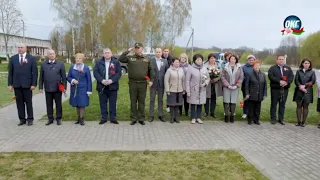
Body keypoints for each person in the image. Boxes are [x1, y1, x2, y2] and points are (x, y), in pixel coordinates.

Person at [118, 43, 154, 125]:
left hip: (143, 83)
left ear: (142, 49)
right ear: (135, 49)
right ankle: (133, 118)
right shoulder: (130, 58)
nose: (138, 49)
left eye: (139, 48)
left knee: (141, 101)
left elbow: (150, 71)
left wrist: (150, 80)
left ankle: (141, 118)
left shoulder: (146, 59)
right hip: (133, 83)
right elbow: (121, 58)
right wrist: (128, 51)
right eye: (136, 48)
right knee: (133, 101)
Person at [8, 43, 38, 126]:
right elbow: (10, 73)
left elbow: (34, 72)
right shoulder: (13, 58)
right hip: (17, 85)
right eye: (18, 47)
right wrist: (10, 84)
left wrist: (33, 84)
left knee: (28, 102)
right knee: (19, 103)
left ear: (25, 48)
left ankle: (30, 119)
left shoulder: (31, 58)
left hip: (27, 85)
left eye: (21, 47)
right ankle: (22, 119)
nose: (20, 49)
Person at [93, 48, 122, 125]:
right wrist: (102, 80)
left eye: (108, 52)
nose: (107, 54)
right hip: (102, 86)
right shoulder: (99, 62)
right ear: (103, 54)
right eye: (105, 53)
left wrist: (111, 80)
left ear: (111, 54)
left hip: (112, 86)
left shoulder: (116, 62)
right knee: (103, 102)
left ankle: (113, 118)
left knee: (112, 102)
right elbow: (95, 73)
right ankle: (104, 117)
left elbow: (119, 73)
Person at [39, 50, 67, 126]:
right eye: (50, 54)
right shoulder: (43, 64)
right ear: (47, 55)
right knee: (49, 104)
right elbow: (41, 77)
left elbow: (64, 77)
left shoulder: (60, 64)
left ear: (55, 55)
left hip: (57, 88)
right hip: (48, 87)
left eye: (53, 54)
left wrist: (64, 87)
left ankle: (59, 118)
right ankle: (50, 119)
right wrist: (40, 87)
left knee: (58, 104)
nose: (51, 55)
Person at [67, 53, 92, 126]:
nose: (78, 60)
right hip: (75, 88)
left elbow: (89, 80)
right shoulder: (72, 68)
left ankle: (81, 118)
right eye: (77, 58)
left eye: (79, 58)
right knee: (77, 104)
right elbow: (68, 77)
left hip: (83, 89)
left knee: (82, 104)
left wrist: (89, 90)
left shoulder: (86, 68)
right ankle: (78, 118)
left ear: (82, 59)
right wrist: (73, 80)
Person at [268, 55, 294, 125]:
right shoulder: (272, 68)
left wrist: (287, 82)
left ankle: (281, 119)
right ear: (276, 60)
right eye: (280, 59)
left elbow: (291, 76)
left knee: (282, 104)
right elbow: (271, 76)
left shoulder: (288, 68)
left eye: (282, 59)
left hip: (285, 89)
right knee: (274, 104)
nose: (281, 60)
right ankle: (273, 119)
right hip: (275, 89)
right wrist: (279, 81)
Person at [186, 54, 210, 124]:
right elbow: (187, 80)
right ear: (194, 60)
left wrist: (205, 83)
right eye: (197, 60)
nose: (199, 61)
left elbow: (208, 78)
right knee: (193, 104)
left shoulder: (204, 68)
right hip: (193, 89)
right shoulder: (190, 68)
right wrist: (188, 91)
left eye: (200, 60)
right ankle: (193, 117)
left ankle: (198, 117)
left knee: (200, 103)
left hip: (202, 89)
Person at [221, 54, 244, 123]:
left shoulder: (239, 68)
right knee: (226, 101)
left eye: (234, 59)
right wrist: (228, 85)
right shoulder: (225, 67)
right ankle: (226, 116)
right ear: (229, 59)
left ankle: (232, 116)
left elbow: (241, 77)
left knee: (233, 102)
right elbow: (222, 77)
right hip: (227, 87)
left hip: (235, 87)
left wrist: (236, 85)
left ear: (236, 60)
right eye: (231, 59)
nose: (232, 60)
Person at [293, 58, 315, 127]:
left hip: (308, 91)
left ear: (310, 64)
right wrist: (300, 86)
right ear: (302, 64)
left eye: (308, 63)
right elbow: (296, 80)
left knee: (305, 107)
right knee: (299, 106)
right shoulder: (298, 71)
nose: (307, 64)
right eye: (305, 63)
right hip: (299, 90)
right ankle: (298, 122)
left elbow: (313, 81)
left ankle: (303, 122)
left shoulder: (312, 72)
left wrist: (305, 86)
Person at [149, 48, 169, 122]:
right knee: (152, 99)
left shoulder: (165, 61)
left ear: (161, 53)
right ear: (155, 53)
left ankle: (161, 115)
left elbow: (167, 72)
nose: (158, 53)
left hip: (161, 83)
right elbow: (147, 72)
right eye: (157, 52)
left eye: (159, 52)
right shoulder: (151, 61)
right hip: (153, 83)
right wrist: (149, 80)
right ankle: (151, 115)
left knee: (160, 100)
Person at [244, 60, 267, 125]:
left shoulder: (263, 75)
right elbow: (247, 85)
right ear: (253, 66)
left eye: (258, 65)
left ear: (260, 66)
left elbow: (265, 85)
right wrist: (247, 93)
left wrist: (265, 94)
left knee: (258, 109)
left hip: (260, 95)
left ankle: (256, 120)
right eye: (255, 65)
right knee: (251, 108)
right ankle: (250, 120)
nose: (257, 67)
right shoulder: (250, 74)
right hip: (251, 94)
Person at [164, 57, 185, 123]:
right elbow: (166, 80)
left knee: (177, 105)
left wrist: (184, 89)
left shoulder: (181, 70)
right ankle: (172, 118)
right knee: (172, 105)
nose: (177, 63)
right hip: (171, 90)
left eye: (178, 62)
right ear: (173, 63)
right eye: (176, 62)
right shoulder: (169, 70)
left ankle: (177, 118)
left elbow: (183, 80)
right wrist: (167, 90)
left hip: (179, 90)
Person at [204, 53, 220, 118]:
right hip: (207, 84)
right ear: (209, 59)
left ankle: (212, 112)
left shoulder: (218, 66)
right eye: (211, 58)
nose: (212, 59)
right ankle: (206, 112)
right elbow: (203, 74)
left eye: (213, 58)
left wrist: (216, 78)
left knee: (214, 99)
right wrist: (208, 79)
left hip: (215, 84)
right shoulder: (205, 66)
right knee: (207, 99)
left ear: (215, 59)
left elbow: (220, 74)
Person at [241, 55, 255, 119]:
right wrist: (246, 79)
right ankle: (245, 112)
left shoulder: (255, 66)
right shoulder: (243, 67)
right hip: (245, 86)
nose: (251, 61)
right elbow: (241, 76)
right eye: (250, 60)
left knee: (253, 100)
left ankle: (251, 113)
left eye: (252, 60)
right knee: (246, 100)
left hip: (253, 87)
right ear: (247, 60)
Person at [162, 47, 173, 113]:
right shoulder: (161, 58)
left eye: (167, 51)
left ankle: (168, 106)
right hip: (161, 78)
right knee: (161, 94)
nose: (166, 52)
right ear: (163, 52)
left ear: (168, 52)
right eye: (165, 51)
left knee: (169, 93)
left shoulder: (171, 59)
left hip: (169, 79)